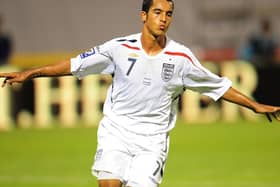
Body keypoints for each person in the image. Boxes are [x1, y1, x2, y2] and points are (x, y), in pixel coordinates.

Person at [0, 0, 280, 186]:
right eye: (158, 12)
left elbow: (217, 85)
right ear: (143, 15)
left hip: (152, 140)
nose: (164, 19)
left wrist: (254, 105)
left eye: (169, 14)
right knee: (108, 184)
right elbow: (74, 65)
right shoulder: (119, 48)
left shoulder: (181, 57)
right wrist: (30, 73)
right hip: (116, 131)